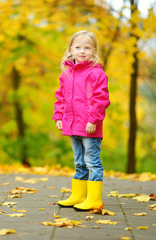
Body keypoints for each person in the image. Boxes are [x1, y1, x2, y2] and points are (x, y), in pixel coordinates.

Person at [52, 30, 110, 211]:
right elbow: (61, 97)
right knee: (79, 161)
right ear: (70, 49)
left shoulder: (96, 74)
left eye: (87, 47)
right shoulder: (67, 74)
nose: (82, 51)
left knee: (92, 161)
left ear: (94, 51)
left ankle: (94, 199)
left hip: (89, 126)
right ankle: (79, 195)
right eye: (78, 47)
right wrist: (59, 115)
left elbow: (101, 99)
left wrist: (93, 119)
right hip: (72, 125)